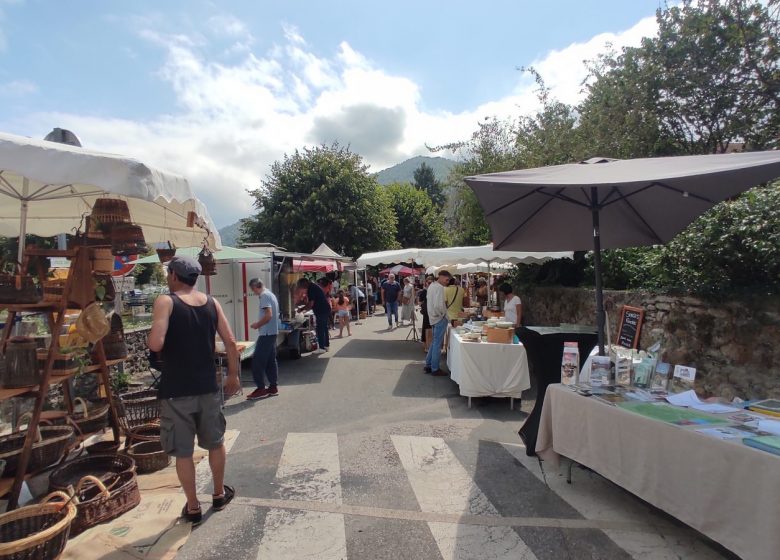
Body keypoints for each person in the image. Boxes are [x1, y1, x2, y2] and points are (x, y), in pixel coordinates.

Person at [148, 255, 239, 524]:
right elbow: (231, 342)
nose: (167, 277)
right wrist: (233, 375)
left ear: (175, 275)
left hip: (176, 389)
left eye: (168, 273)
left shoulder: (166, 301)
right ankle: (219, 493)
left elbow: (155, 344)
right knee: (215, 442)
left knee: (183, 452)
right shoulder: (211, 302)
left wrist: (151, 335)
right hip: (207, 387)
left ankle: (192, 506)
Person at [247, 278, 280, 401]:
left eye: (253, 289)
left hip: (266, 333)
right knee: (271, 360)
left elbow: (268, 314)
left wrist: (257, 324)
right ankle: (273, 386)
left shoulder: (264, 296)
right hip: (272, 332)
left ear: (256, 287)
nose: (253, 292)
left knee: (257, 361)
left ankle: (261, 388)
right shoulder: (270, 294)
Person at [424, 270, 452, 376]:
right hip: (439, 318)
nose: (447, 282)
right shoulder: (439, 288)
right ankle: (434, 368)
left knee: (435, 342)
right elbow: (438, 306)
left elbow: (433, 304)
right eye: (447, 279)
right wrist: (443, 315)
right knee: (437, 344)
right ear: (440, 277)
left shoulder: (432, 286)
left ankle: (428, 365)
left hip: (433, 317)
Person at [297, 278, 331, 354]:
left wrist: (301, 309)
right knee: (324, 327)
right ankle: (326, 346)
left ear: (304, 284)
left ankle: (321, 348)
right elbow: (311, 302)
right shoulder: (313, 286)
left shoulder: (311, 289)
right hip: (325, 309)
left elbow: (311, 304)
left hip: (321, 310)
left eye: (301, 286)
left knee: (320, 328)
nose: (301, 288)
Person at [418, 276, 432, 349]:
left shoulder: (433, 291)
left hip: (433, 312)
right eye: (429, 282)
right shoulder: (424, 291)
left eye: (431, 282)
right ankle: (425, 344)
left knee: (431, 327)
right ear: (426, 283)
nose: (430, 284)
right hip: (426, 312)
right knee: (426, 327)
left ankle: (429, 344)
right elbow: (419, 302)